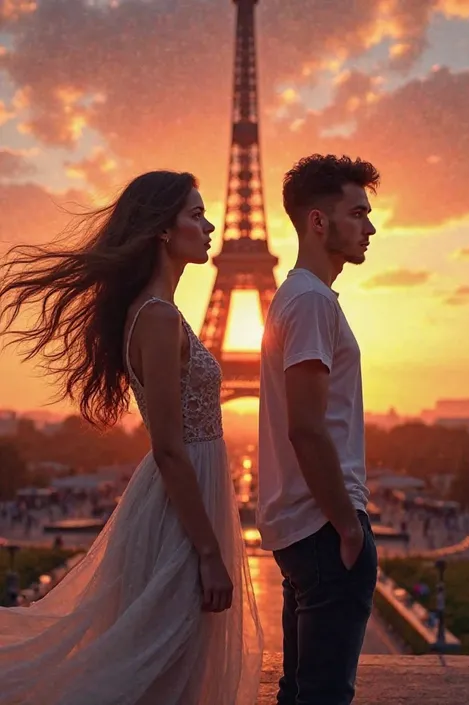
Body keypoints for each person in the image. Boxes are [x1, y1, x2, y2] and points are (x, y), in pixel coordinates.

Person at [0, 171, 263, 705]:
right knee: (168, 669)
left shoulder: (157, 313)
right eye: (196, 214)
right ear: (163, 230)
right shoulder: (159, 318)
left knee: (168, 665)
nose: (210, 225)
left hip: (179, 502)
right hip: (181, 514)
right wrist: (209, 552)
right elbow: (168, 446)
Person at [258, 155, 380, 705]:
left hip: (304, 526)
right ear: (317, 221)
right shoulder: (309, 300)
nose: (370, 227)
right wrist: (348, 527)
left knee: (302, 691)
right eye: (358, 213)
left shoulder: (300, 296)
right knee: (325, 694)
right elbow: (306, 429)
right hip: (325, 528)